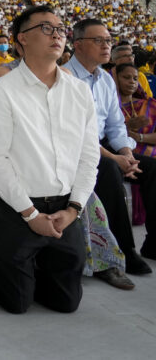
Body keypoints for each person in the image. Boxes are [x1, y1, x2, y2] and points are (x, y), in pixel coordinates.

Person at [0, 5, 99, 314]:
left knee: (66, 302)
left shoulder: (79, 92)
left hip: (63, 206)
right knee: (16, 301)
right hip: (18, 205)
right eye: (46, 28)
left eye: (59, 28)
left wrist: (73, 209)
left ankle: (12, 258)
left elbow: (89, 155)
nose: (56, 34)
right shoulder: (1, 92)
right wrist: (31, 215)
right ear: (21, 41)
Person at [69, 18, 156, 273]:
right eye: (98, 40)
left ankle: (153, 243)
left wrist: (127, 154)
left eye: (108, 40)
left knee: (151, 168)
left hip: (103, 143)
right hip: (74, 147)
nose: (106, 45)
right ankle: (125, 249)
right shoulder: (66, 77)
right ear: (78, 45)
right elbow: (78, 133)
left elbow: (116, 125)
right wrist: (115, 159)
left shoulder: (106, 79)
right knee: (108, 168)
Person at [118, 63, 156, 157]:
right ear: (115, 79)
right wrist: (127, 127)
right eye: (126, 77)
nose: (132, 81)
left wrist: (139, 137)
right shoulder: (109, 107)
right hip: (122, 158)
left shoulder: (151, 105)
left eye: (135, 79)